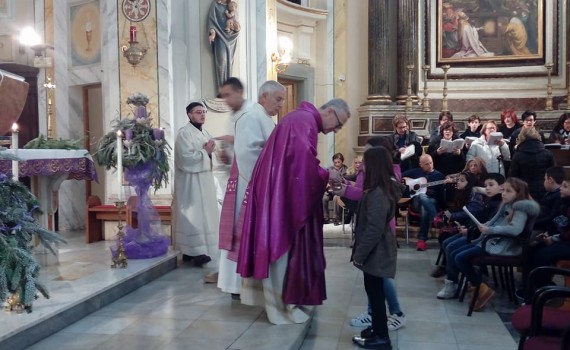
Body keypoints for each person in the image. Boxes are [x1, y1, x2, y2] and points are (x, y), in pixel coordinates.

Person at [236, 98, 351, 324]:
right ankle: (281, 308)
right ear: (329, 111)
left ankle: (281, 303)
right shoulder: (304, 121)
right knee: (283, 250)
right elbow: (302, 167)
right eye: (338, 124)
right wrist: (327, 174)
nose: (335, 130)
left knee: (283, 251)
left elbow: (299, 163)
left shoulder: (300, 119)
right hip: (281, 199)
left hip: (278, 192)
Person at [217, 78, 285, 296]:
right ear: (264, 96)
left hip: (253, 186)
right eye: (278, 99)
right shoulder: (252, 116)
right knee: (241, 233)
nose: (281, 104)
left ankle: (245, 284)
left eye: (282, 99)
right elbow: (248, 153)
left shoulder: (261, 116)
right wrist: (265, 180)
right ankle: (237, 285)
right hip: (250, 188)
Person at [437, 178, 539, 311]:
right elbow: (494, 220)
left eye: (508, 191)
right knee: (456, 253)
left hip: (503, 246)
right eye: (503, 190)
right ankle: (473, 285)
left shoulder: (521, 208)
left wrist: (490, 230)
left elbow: (515, 230)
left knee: (459, 257)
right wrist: (484, 226)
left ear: (518, 193)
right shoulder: (507, 204)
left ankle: (480, 287)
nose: (504, 194)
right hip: (492, 241)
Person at [343, 136, 407, 332]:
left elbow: (374, 225)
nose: (362, 165)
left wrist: (359, 255)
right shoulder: (377, 183)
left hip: (378, 238)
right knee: (374, 282)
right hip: (375, 238)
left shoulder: (380, 189)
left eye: (366, 160)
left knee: (379, 278)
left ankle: (392, 317)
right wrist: (344, 186)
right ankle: (375, 319)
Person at [173, 102, 220, 273]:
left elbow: (207, 153)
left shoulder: (205, 132)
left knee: (204, 215)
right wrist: (205, 152)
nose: (202, 115)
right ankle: (193, 251)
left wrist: (210, 151)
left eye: (203, 112)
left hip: (204, 180)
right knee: (194, 216)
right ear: (189, 115)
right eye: (198, 112)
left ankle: (200, 249)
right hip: (190, 183)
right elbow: (184, 159)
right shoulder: (184, 134)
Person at [402, 154, 446, 251]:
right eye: (426, 164)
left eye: (431, 163)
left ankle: (422, 240)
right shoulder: (415, 172)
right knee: (421, 195)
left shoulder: (439, 176)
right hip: (415, 203)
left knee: (425, 206)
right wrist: (407, 189)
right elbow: (401, 178)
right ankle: (436, 218)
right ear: (420, 164)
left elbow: (441, 198)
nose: (430, 166)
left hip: (432, 203)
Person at [508, 127, 554, 200]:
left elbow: (513, 175)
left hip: (525, 190)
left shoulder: (518, 155)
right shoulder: (547, 153)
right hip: (544, 188)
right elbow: (553, 172)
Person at [208, 0, 240, 91]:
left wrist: (236, 27)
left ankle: (228, 89)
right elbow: (212, 21)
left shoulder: (232, 6)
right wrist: (212, 33)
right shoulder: (215, 5)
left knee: (229, 62)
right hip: (220, 36)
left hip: (231, 37)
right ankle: (221, 89)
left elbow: (236, 22)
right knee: (222, 60)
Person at [534, 166, 564, 232]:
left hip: (545, 229)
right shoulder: (550, 193)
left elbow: (551, 217)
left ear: (550, 180)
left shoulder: (558, 196)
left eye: (545, 179)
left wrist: (533, 224)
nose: (544, 181)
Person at [323, 153, 348, 224]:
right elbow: (325, 179)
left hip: (340, 191)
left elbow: (347, 181)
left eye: (338, 162)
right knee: (324, 198)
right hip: (330, 190)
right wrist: (326, 184)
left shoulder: (346, 170)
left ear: (342, 161)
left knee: (336, 198)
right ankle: (325, 217)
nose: (337, 164)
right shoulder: (329, 169)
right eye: (335, 162)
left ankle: (336, 217)